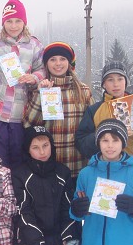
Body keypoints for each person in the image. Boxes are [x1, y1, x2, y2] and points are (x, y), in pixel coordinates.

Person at [0, 0, 45, 170]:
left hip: (21, 115)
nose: (13, 25)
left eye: (18, 21)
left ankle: (19, 195)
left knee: (19, 160)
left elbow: (42, 69)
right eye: (9, 21)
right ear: (3, 23)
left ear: (24, 22)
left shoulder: (34, 44)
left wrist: (33, 77)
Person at [23, 41, 94, 179]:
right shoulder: (38, 90)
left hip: (77, 164)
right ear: (46, 64)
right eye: (52, 59)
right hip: (49, 166)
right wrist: (40, 94)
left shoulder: (83, 91)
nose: (58, 63)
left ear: (69, 63)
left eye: (62, 59)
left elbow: (91, 127)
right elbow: (28, 124)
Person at [75, 61, 133, 164]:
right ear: (104, 84)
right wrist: (101, 135)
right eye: (110, 80)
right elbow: (81, 144)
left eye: (120, 79)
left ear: (126, 82)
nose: (116, 84)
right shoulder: (94, 110)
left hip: (131, 168)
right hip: (103, 168)